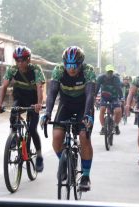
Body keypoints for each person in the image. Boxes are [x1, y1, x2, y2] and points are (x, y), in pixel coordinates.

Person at [40, 46, 95, 191]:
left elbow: (90, 95)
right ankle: (64, 162)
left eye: (75, 66)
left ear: (81, 64)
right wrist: (47, 113)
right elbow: (52, 93)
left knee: (84, 136)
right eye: (68, 65)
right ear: (64, 64)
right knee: (57, 136)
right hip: (65, 105)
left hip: (83, 106)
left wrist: (88, 114)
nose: (71, 69)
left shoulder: (88, 71)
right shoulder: (58, 70)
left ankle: (85, 176)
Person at [0, 46, 46, 172]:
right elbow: (4, 86)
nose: (20, 63)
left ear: (28, 60)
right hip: (20, 98)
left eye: (22, 60)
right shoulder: (12, 70)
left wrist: (39, 103)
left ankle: (39, 156)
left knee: (32, 129)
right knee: (13, 113)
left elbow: (40, 87)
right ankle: (14, 136)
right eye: (17, 60)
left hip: (33, 100)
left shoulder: (36, 69)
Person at [96, 64, 123, 135]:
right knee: (102, 109)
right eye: (108, 72)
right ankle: (103, 127)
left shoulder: (116, 78)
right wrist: (94, 96)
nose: (110, 74)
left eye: (111, 72)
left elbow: (119, 88)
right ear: (106, 72)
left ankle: (116, 125)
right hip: (104, 97)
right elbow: (97, 87)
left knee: (118, 110)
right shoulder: (101, 78)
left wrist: (121, 97)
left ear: (113, 72)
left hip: (114, 97)